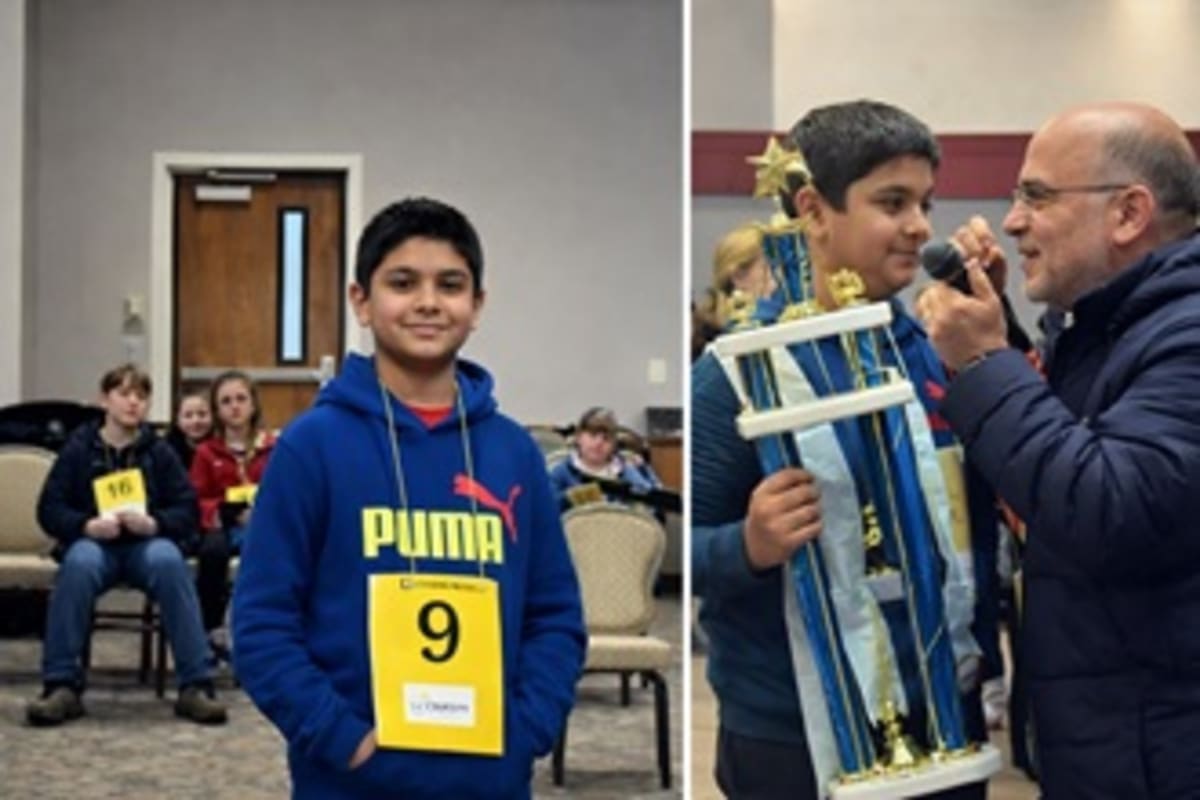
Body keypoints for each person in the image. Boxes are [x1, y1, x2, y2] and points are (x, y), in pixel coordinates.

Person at [231, 197, 586, 799]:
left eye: (450, 285)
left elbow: (554, 617)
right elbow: (262, 624)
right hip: (350, 780)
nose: (427, 302)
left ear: (477, 306)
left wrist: (527, 730)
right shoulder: (311, 447)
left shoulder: (514, 453)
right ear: (361, 302)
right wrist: (341, 738)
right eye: (402, 282)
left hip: (490, 779)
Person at [691, 100, 995, 799]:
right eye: (892, 202)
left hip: (944, 711)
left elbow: (971, 524)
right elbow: (693, 557)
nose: (919, 226)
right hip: (792, 729)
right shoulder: (733, 375)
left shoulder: (931, 348)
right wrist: (750, 544)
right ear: (814, 209)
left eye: (925, 202)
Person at [916, 101, 1200, 799]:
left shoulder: (1188, 333)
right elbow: (1070, 445)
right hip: (1121, 733)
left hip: (1161, 750)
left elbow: (1109, 508)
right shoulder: (1116, 326)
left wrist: (984, 362)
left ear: (1129, 213)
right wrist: (1004, 336)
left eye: (1036, 197)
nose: (1012, 222)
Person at [26, 364, 226, 726]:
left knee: (169, 562)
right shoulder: (78, 449)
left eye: (141, 396)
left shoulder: (160, 452)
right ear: (105, 400)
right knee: (78, 564)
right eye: (125, 394)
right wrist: (85, 525)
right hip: (95, 544)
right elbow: (49, 509)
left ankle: (195, 683)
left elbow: (187, 509)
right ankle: (61, 684)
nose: (134, 403)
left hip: (146, 545)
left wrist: (156, 523)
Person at [188, 370, 275, 655]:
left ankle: (250, 628)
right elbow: (195, 499)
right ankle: (211, 629)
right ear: (216, 410)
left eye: (241, 399)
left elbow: (287, 491)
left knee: (263, 548)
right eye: (226, 401)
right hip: (221, 527)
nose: (235, 406)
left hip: (262, 525)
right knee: (212, 552)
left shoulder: (273, 448)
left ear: (253, 405)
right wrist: (227, 512)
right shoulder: (207, 453)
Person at [548, 406, 662, 512]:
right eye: (592, 436)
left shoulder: (625, 471)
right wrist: (569, 498)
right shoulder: (562, 472)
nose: (599, 443)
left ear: (613, 445)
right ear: (578, 438)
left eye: (606, 439)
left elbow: (652, 504)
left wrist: (644, 469)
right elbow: (547, 508)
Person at [164, 388, 213, 471]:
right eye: (188, 415)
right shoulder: (165, 451)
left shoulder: (223, 447)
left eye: (202, 414)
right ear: (177, 420)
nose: (196, 421)